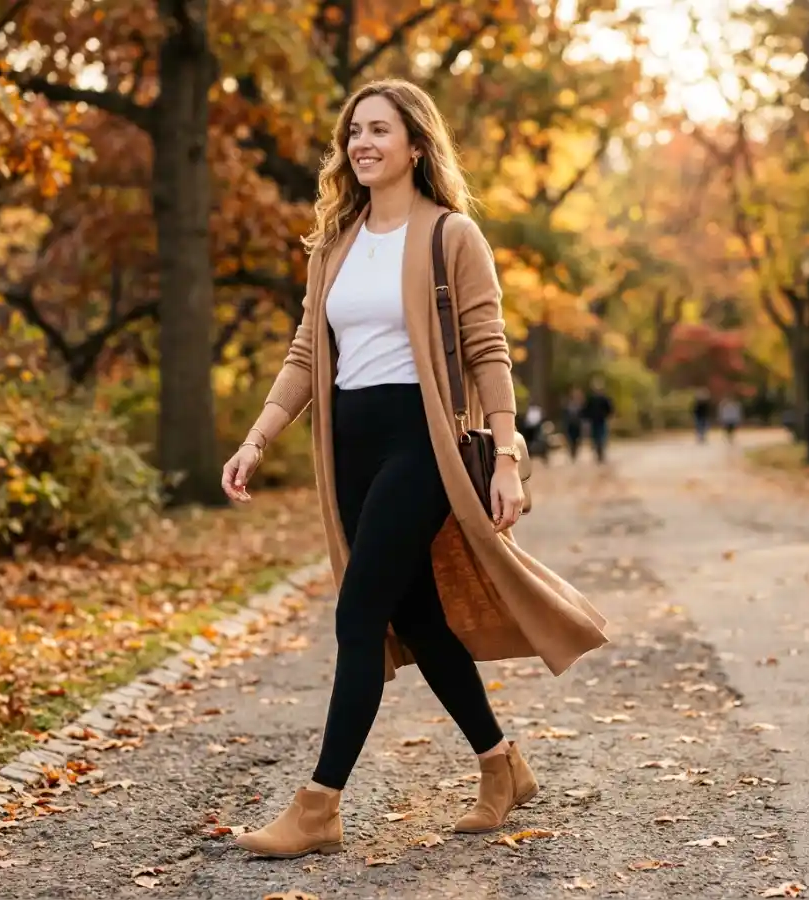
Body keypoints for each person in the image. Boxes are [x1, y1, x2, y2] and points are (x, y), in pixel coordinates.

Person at [220, 78, 608, 860]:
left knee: (359, 614)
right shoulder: (334, 242)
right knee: (420, 616)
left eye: (378, 131)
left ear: (416, 147)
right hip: (351, 449)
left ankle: (319, 803)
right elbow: (306, 352)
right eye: (352, 132)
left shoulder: (449, 235)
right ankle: (502, 765)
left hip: (421, 444)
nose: (361, 143)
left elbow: (487, 349)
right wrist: (258, 437)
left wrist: (506, 455)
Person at [582, 376, 614, 463]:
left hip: (602, 420)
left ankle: (601, 453)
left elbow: (610, 409)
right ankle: (597, 453)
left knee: (602, 437)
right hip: (593, 421)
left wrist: (608, 416)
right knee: (595, 438)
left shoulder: (605, 399)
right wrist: (586, 419)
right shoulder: (590, 399)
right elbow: (586, 410)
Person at [561, 388, 585, 461]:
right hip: (570, 425)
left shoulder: (580, 406)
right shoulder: (568, 405)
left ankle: (574, 452)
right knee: (570, 439)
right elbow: (565, 415)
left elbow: (583, 415)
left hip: (577, 425)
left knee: (576, 440)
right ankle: (572, 452)